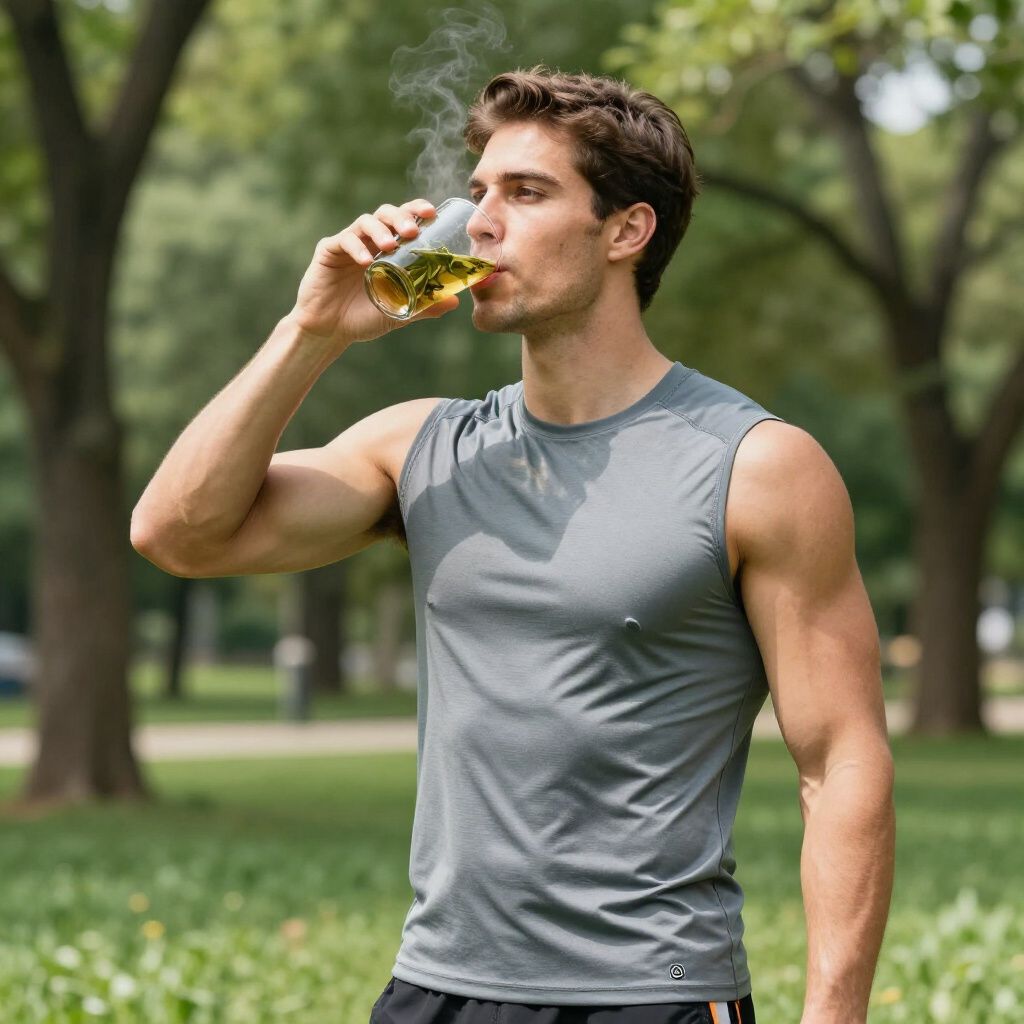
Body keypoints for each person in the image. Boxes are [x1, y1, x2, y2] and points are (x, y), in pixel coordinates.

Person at [131, 67, 895, 1024]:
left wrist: (834, 1014)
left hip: (648, 995)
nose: (481, 223)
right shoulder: (421, 448)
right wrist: (311, 330)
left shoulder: (757, 465)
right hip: (436, 989)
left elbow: (841, 761)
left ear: (626, 231)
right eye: (479, 191)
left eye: (526, 194)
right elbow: (176, 533)